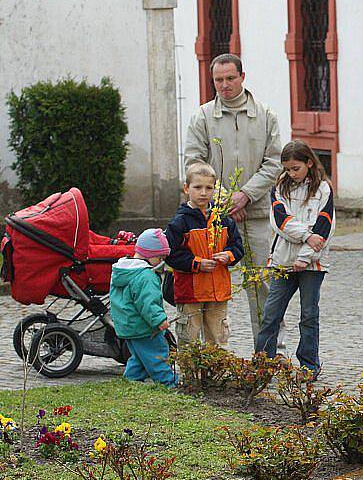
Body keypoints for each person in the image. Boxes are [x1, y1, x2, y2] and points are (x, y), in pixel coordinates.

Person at [183, 52, 285, 352]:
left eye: (230, 78)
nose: (224, 85)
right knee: (208, 284)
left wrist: (245, 196)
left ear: (242, 77)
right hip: (212, 218)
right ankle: (210, 353)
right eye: (218, 80)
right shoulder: (202, 117)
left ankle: (269, 351)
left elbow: (274, 162)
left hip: (254, 215)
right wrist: (226, 202)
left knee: (261, 285)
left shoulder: (265, 115)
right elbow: (194, 163)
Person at [255, 141, 335, 378]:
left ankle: (309, 365)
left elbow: (325, 227)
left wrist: (306, 256)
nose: (291, 173)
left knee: (309, 315)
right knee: (271, 313)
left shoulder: (323, 189)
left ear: (309, 163)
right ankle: (264, 363)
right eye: (287, 169)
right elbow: (280, 221)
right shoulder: (279, 187)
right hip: (282, 260)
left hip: (313, 264)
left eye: (295, 168)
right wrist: (307, 236)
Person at [165, 162, 244, 347]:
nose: (203, 193)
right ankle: (190, 376)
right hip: (190, 292)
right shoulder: (179, 222)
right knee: (189, 340)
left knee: (218, 339)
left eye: (209, 188)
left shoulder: (223, 219)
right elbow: (171, 254)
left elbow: (238, 247)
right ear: (187, 188)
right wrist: (196, 263)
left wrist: (228, 256)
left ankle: (215, 375)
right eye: (198, 187)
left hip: (218, 292)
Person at [110, 228, 177, 387]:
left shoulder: (123, 270)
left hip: (128, 326)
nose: (161, 261)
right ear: (152, 254)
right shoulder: (145, 275)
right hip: (145, 327)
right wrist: (159, 321)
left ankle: (130, 383)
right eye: (161, 257)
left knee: (139, 358)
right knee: (157, 356)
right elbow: (148, 303)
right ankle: (169, 384)